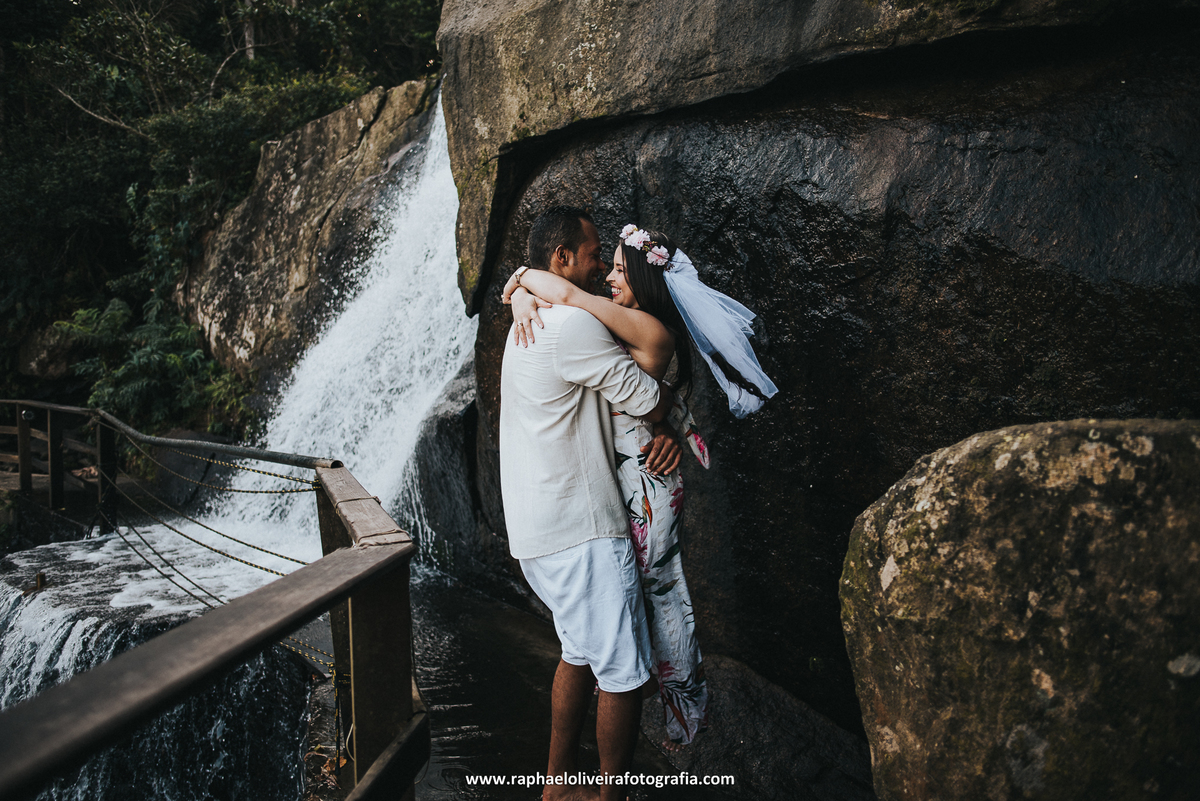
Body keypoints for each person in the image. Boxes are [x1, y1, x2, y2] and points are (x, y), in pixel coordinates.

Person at [503, 223, 778, 749]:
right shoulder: (605, 325)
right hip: (621, 486)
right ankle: (636, 698)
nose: (607, 277)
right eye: (604, 264)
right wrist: (520, 294)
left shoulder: (648, 331)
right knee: (614, 624)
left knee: (659, 592)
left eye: (619, 270)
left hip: (646, 486)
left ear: (647, 282)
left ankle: (678, 701)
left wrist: (522, 283)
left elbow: (569, 297)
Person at [499, 207, 683, 801]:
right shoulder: (572, 326)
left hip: (538, 532)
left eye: (611, 260)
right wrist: (668, 416)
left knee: (577, 653)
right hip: (583, 533)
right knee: (622, 675)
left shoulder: (530, 321)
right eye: (595, 254)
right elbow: (649, 399)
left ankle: (556, 786)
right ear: (562, 258)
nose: (602, 268)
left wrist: (523, 286)